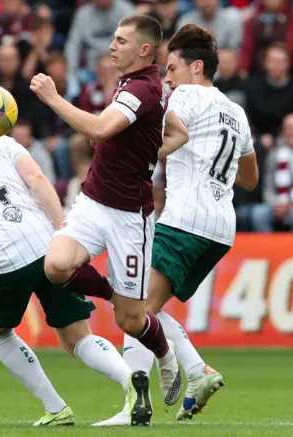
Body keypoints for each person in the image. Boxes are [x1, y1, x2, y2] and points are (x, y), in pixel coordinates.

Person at [0, 102, 152, 427]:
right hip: (46, 245)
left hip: (2, 262)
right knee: (77, 336)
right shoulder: (1, 142)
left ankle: (56, 408)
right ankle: (130, 381)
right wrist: (63, 231)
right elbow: (38, 179)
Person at [96, 24, 259, 426]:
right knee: (141, 308)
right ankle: (194, 370)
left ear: (196, 66)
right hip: (220, 226)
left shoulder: (184, 96)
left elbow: (158, 132)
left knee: (133, 310)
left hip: (184, 218)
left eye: (171, 69)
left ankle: (148, 399)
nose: (166, 78)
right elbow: (251, 178)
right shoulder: (236, 111)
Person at [30, 15, 182, 410]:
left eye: (120, 41)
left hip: (130, 217)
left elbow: (98, 130)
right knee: (56, 266)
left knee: (131, 321)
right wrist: (146, 152)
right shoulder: (146, 85)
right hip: (94, 201)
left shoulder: (144, 88)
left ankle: (165, 356)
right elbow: (177, 134)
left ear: (144, 50)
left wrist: (52, 97)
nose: (111, 46)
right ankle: (114, 292)